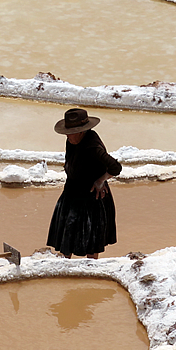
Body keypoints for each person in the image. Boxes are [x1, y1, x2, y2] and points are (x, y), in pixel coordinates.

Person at [47, 108, 122, 259]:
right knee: (66, 235)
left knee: (91, 239)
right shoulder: (71, 141)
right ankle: (63, 266)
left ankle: (90, 268)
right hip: (72, 191)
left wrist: (100, 180)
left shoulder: (93, 146)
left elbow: (115, 167)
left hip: (91, 196)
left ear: (81, 131)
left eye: (70, 132)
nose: (67, 136)